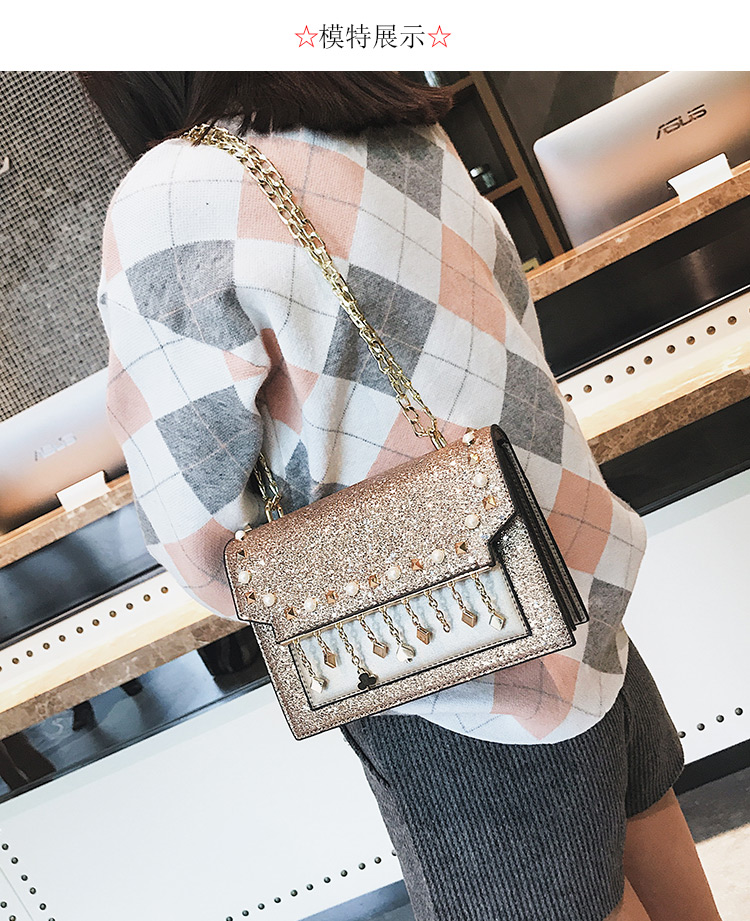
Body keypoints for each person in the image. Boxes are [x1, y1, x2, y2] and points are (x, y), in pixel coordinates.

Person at [82, 72, 722, 921]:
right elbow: (517, 317)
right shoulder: (396, 123)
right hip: (568, 582)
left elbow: (188, 514)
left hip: (443, 657)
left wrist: (285, 570)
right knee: (651, 837)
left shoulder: (168, 198)